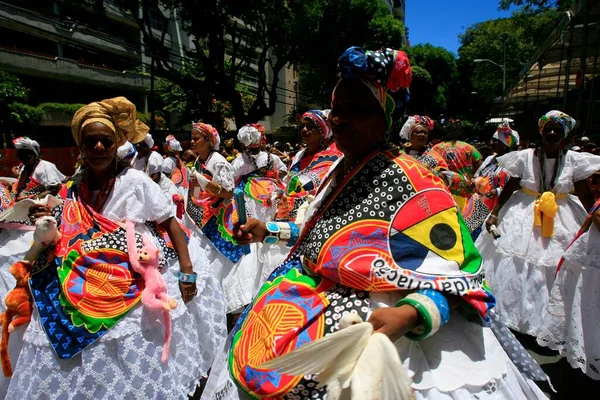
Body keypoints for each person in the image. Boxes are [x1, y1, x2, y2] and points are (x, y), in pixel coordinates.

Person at [202, 46, 546, 400]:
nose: (340, 120)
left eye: (357, 110)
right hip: (309, 301)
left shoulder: (416, 181)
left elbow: (464, 272)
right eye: (337, 110)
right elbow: (322, 234)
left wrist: (412, 314)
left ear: (385, 119)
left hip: (385, 324)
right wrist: (270, 231)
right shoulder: (341, 167)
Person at [4, 97, 226, 399]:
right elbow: (68, 220)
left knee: (127, 341)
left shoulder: (134, 181)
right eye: (90, 141)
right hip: (78, 270)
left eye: (105, 141)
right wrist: (48, 214)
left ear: (116, 144)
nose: (98, 148)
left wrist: (187, 273)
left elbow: (171, 223)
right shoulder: (75, 183)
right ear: (80, 147)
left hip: (130, 265)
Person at [476, 110, 600, 340]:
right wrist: (495, 213)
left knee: (554, 267)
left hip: (561, 215)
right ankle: (518, 317)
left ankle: (550, 322)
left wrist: (594, 217)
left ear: (565, 134)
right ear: (541, 130)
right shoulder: (525, 156)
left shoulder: (574, 160)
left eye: (558, 129)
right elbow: (510, 187)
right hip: (524, 213)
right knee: (519, 267)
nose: (552, 132)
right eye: (548, 128)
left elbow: (585, 195)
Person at [275, 110, 341, 223]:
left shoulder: (333, 157)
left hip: (313, 218)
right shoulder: (299, 156)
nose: (304, 130)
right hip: (286, 216)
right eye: (303, 126)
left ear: (322, 131)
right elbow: (288, 183)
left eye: (311, 127)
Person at [462, 122, 519, 239]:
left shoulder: (512, 163)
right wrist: (473, 181)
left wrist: (495, 191)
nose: (491, 143)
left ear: (505, 145)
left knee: (483, 235)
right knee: (466, 230)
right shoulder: (490, 158)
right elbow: (479, 174)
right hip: (478, 202)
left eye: (496, 141)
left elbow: (514, 186)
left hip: (495, 205)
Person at [431, 130, 483, 211]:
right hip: (466, 194)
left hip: (444, 194)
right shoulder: (470, 148)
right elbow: (481, 169)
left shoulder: (435, 148)